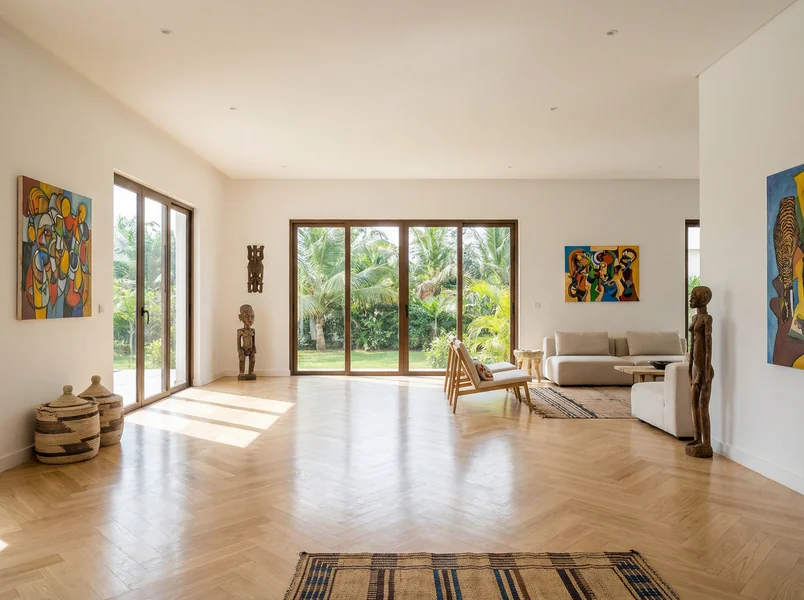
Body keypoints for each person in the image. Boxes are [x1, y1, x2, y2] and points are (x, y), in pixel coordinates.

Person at [686, 286, 714, 458]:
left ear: (703, 299)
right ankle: (697, 438)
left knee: (703, 406)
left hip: (704, 369)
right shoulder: (695, 317)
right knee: (693, 404)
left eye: (693, 296)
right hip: (696, 367)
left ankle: (707, 442)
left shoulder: (706, 319)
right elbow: (691, 347)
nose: (690, 299)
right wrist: (690, 370)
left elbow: (709, 348)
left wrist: (706, 372)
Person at [237, 304, 257, 380]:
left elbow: (254, 340)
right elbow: (238, 341)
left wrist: (254, 348)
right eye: (246, 316)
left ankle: (251, 371)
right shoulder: (240, 331)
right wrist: (239, 349)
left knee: (253, 359)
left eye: (252, 316)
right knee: (242, 359)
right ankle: (241, 372)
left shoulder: (253, 330)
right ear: (240, 317)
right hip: (243, 349)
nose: (250, 319)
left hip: (251, 348)